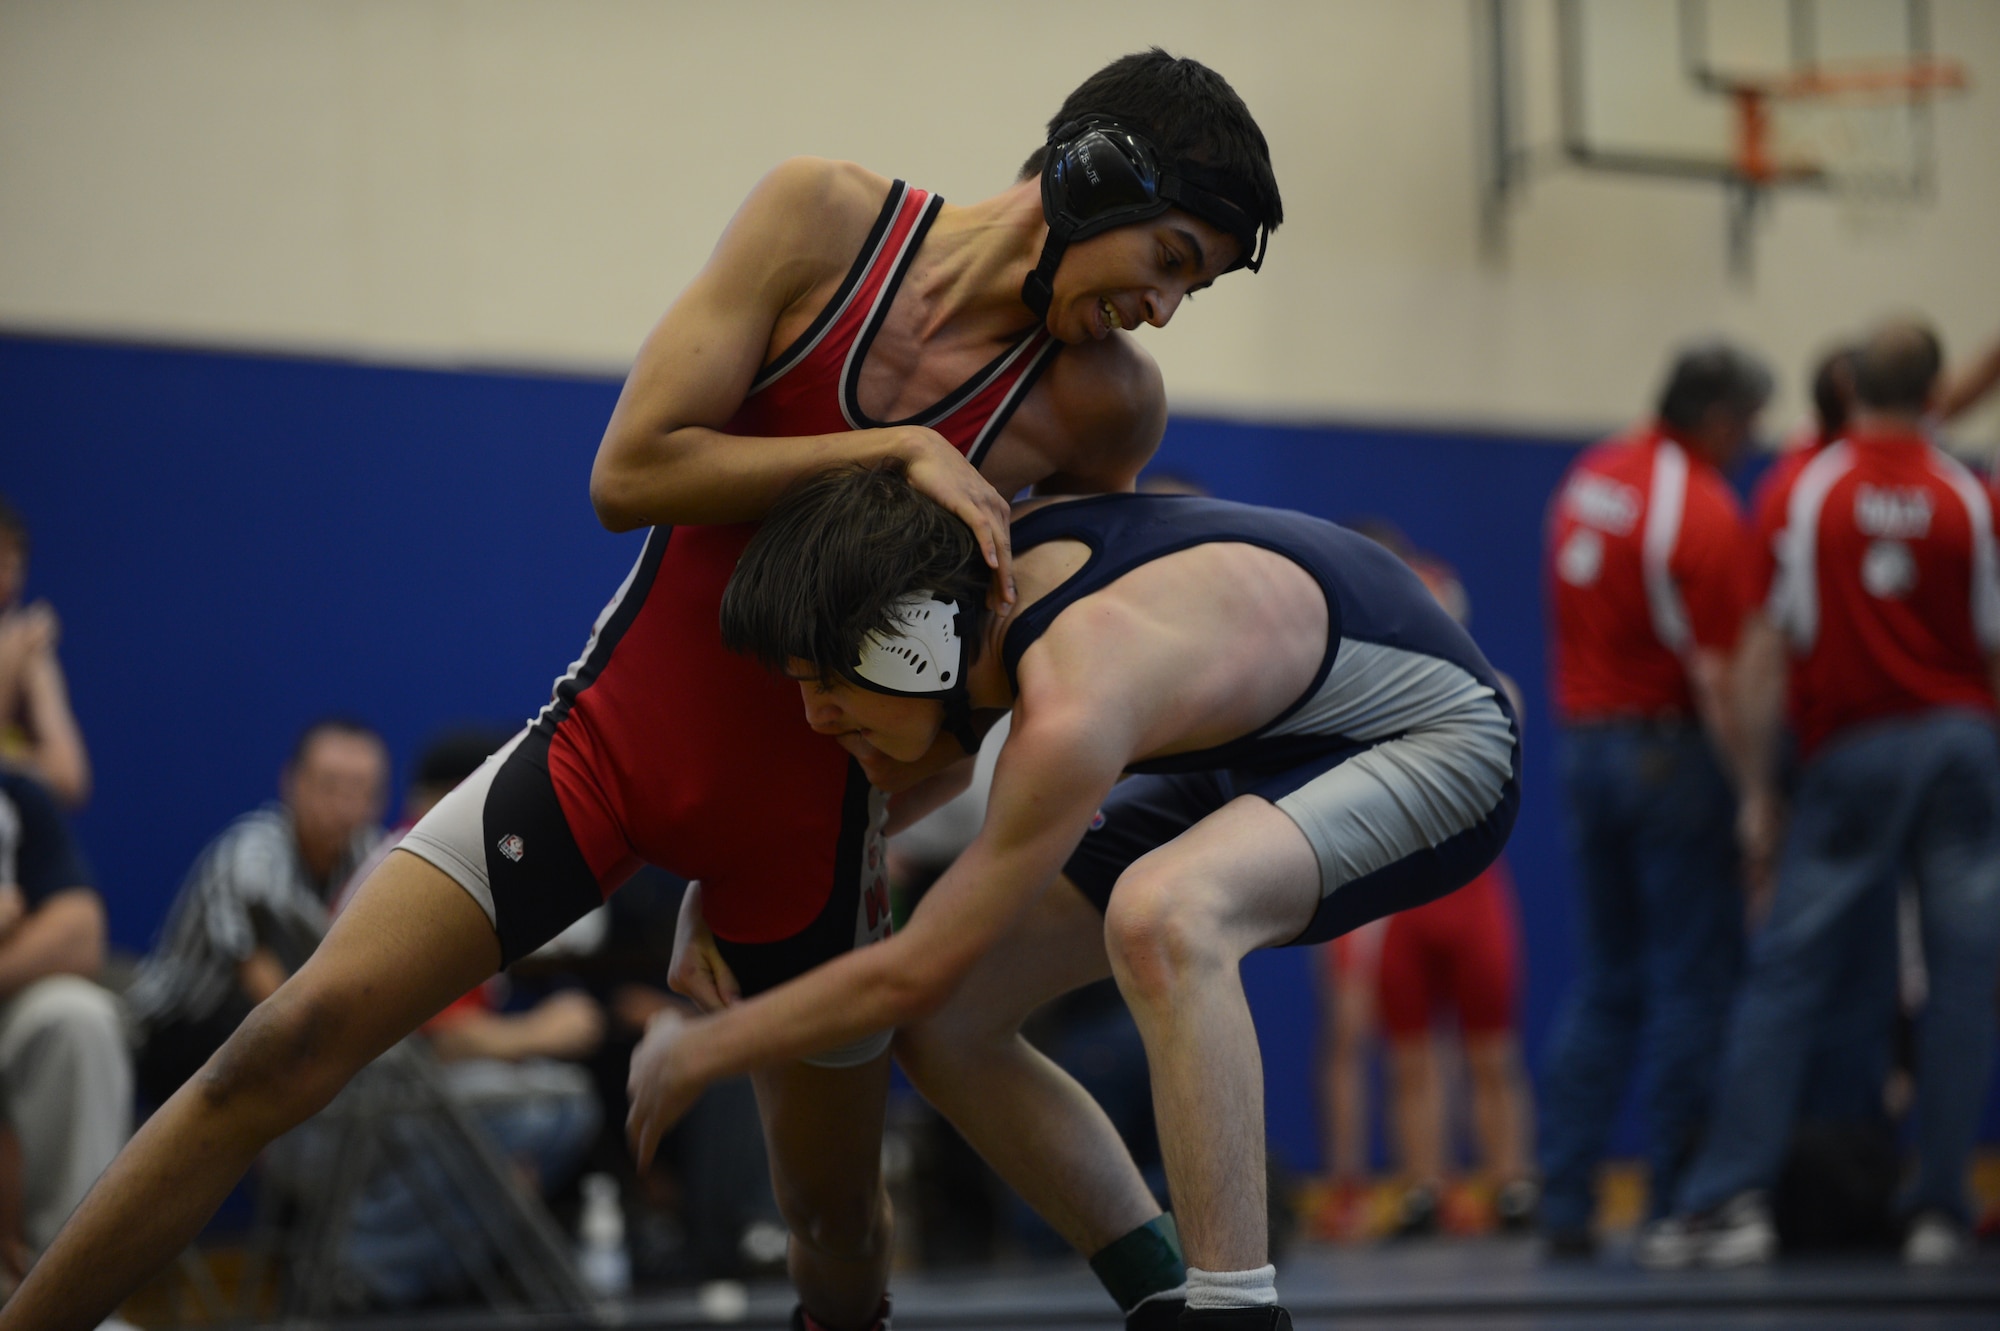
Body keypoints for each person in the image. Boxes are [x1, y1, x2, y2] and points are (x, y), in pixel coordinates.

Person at [0, 52, 1283, 1331]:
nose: (1163, 309)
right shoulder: (823, 220)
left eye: (1195, 285)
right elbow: (630, 470)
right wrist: (899, 447)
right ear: (1090, 174)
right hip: (608, 746)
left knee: (835, 1232)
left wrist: (906, 794)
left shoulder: (1104, 407)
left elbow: (1015, 671)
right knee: (280, 1047)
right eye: (1168, 258)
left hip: (810, 836)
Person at [625, 461, 1520, 1330]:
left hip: (1440, 736)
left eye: (832, 691)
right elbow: (901, 784)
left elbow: (911, 969)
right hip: (1264, 747)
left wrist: (707, 1048)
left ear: (915, 651)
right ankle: (1159, 1294)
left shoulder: (1073, 692)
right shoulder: (964, 586)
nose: (818, 721)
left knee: (1165, 913)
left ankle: (1236, 1313)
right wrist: (729, 878)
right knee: (953, 1023)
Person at [1644, 318, 2000, 1269]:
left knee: (1787, 971)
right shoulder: (1972, 494)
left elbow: (1763, 652)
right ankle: (1938, 1207)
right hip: (1963, 746)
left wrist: (1760, 788)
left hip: (1854, 753)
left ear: (1847, 387)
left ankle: (1733, 1199)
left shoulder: (1810, 490)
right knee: (1966, 980)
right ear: (1933, 394)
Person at [1534, 341, 1771, 1257]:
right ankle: (1680, 1196)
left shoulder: (1593, 474)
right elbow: (1715, 675)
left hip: (1585, 746)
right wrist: (1754, 792)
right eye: (1746, 430)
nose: (1747, 446)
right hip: (1667, 751)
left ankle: (1565, 1200)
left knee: (1605, 982)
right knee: (1690, 982)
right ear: (1719, 421)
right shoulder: (1700, 506)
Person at [124, 718, 387, 1105]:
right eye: (329, 786)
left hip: (288, 1029)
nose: (344, 805)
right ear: (292, 782)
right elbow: (261, 983)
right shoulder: (250, 853)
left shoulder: (372, 859)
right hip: (184, 1030)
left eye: (361, 790)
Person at [0, 772, 128, 1289]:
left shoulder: (15, 793)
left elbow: (79, 933)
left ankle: (71, 1295)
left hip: (8, 1003)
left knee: (80, 1017)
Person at [0, 499, 90, 811]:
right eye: (0, 562)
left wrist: (10, 760)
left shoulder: (29, 647)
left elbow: (69, 778)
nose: (8, 581)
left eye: (15, 565)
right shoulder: (18, 647)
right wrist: (9, 660)